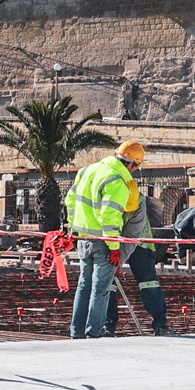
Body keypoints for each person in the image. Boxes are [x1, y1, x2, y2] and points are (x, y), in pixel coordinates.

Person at [65, 140, 143, 338]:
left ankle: (77, 331)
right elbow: (109, 218)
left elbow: (70, 201)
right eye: (136, 167)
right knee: (101, 289)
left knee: (84, 285)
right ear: (131, 164)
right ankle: (95, 332)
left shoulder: (86, 171)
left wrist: (74, 230)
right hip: (103, 242)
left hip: (83, 237)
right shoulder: (117, 182)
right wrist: (115, 247)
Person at [104, 174, 171, 335]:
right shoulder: (112, 196)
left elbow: (132, 233)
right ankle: (108, 326)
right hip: (115, 242)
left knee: (149, 283)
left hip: (139, 242)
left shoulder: (136, 199)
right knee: (107, 285)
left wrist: (119, 258)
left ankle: (160, 324)